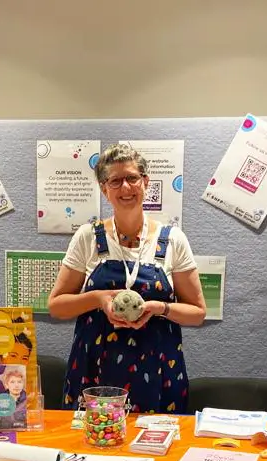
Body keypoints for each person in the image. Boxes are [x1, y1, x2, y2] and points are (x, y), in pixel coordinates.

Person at [47, 144, 206, 414]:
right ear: (103, 187)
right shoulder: (88, 237)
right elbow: (56, 306)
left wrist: (160, 308)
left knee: (157, 450)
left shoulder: (172, 240)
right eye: (115, 181)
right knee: (94, 449)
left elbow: (197, 313)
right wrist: (98, 298)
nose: (126, 188)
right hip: (94, 370)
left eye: (132, 178)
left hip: (158, 370)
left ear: (145, 181)